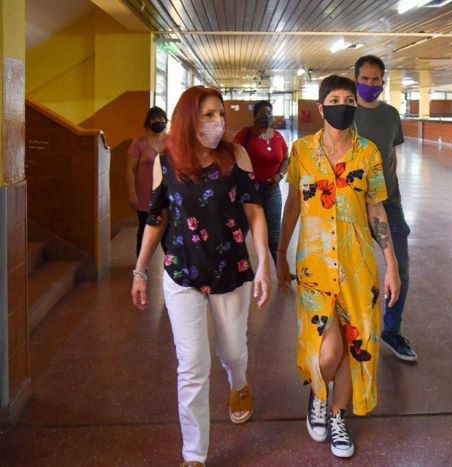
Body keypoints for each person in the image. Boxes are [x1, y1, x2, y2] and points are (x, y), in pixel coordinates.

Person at [130, 86, 271, 467]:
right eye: (208, 115)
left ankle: (239, 384)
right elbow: (157, 217)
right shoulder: (166, 160)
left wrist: (264, 261)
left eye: (220, 114)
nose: (217, 122)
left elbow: (254, 209)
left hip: (230, 269)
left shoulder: (235, 155)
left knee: (233, 352)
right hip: (182, 271)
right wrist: (140, 270)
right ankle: (194, 455)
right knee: (192, 364)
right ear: (189, 118)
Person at [277, 75, 400, 459]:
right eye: (334, 100)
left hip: (358, 265)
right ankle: (318, 392)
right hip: (314, 265)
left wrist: (392, 265)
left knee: (353, 343)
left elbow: (376, 208)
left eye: (348, 100)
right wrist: (280, 251)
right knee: (327, 350)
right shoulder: (301, 151)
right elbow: (294, 203)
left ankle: (337, 414)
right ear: (320, 107)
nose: (342, 106)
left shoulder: (368, 153)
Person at [353, 55, 416, 362]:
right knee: (355, 270)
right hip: (353, 204)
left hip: (389, 202)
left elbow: (391, 154)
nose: (370, 84)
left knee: (399, 268)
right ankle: (356, 330)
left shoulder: (391, 114)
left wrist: (391, 188)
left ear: (383, 81)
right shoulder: (346, 113)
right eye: (364, 79)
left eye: (375, 79)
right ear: (355, 80)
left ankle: (392, 329)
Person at [233, 100, 289, 264]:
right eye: (262, 114)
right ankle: (236, 267)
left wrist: (279, 175)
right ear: (254, 116)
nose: (266, 116)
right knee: (239, 232)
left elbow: (286, 159)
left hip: (271, 191)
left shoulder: (278, 137)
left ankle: (281, 269)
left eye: (269, 113)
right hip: (248, 193)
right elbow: (232, 157)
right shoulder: (245, 135)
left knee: (275, 236)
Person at [127, 106, 168, 257]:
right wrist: (132, 193)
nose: (158, 122)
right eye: (155, 119)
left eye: (161, 119)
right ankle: (141, 264)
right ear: (148, 122)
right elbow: (130, 169)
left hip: (167, 194)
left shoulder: (171, 142)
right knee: (145, 228)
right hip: (145, 195)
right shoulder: (139, 142)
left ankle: (172, 264)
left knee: (168, 231)